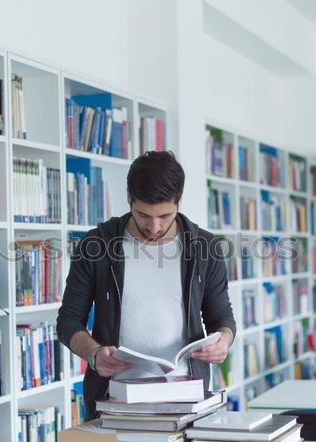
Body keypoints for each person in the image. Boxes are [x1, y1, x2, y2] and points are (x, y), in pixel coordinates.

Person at [56, 150, 236, 420]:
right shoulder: (97, 245)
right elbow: (68, 321)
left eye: (165, 215)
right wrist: (94, 354)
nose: (154, 227)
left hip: (186, 396)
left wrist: (223, 341)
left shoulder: (205, 247)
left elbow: (222, 318)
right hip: (113, 397)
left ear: (179, 201)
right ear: (129, 197)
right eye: (143, 215)